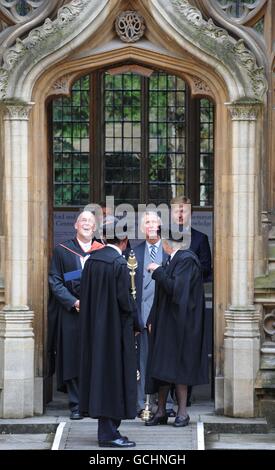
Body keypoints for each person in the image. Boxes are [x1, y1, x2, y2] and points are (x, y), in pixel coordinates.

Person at [79, 217, 138, 448]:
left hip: (95, 330)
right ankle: (109, 433)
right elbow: (125, 301)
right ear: (124, 239)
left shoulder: (92, 261)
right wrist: (136, 324)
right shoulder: (118, 264)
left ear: (104, 237)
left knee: (101, 377)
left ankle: (108, 429)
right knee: (114, 379)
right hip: (115, 332)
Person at [145, 231, 209, 427]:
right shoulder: (174, 259)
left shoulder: (186, 260)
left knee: (179, 368)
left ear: (166, 243)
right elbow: (162, 296)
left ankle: (182, 413)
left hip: (181, 326)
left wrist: (157, 271)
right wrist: (151, 318)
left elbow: (176, 290)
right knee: (162, 367)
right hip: (166, 324)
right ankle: (161, 411)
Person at [47, 210, 99, 420]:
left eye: (90, 221)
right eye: (83, 220)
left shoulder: (102, 251)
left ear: (95, 227)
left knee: (96, 358)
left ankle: (93, 403)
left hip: (96, 314)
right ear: (75, 225)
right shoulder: (63, 251)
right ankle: (76, 404)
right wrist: (74, 301)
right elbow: (55, 281)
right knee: (73, 357)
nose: (86, 224)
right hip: (71, 314)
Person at [133, 211, 175, 418]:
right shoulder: (133, 253)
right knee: (141, 361)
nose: (150, 225)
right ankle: (141, 403)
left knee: (164, 360)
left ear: (160, 226)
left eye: (154, 222)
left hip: (164, 317)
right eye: (146, 222)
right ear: (142, 228)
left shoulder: (170, 253)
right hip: (141, 316)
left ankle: (164, 403)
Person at [171, 195, 212, 405]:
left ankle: (186, 394)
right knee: (168, 346)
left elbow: (207, 270)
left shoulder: (200, 239)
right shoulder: (163, 238)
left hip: (192, 303)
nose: (180, 214)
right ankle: (168, 392)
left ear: (191, 214)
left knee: (190, 346)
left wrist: (186, 272)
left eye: (184, 210)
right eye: (177, 210)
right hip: (168, 302)